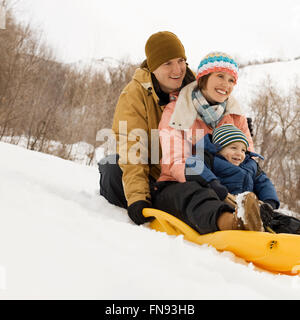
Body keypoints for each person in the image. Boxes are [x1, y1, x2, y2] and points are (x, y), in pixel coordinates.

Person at [153, 52, 262, 234]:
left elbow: (248, 159)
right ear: (203, 78)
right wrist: (210, 182)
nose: (225, 85)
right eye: (220, 76)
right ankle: (232, 222)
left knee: (264, 202)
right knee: (198, 194)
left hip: (228, 187)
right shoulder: (177, 110)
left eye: (231, 81)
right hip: (179, 183)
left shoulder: (236, 116)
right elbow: (175, 161)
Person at [98, 31, 195, 225]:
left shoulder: (196, 90)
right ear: (153, 67)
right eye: (167, 63)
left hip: (190, 171)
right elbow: (132, 147)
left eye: (181, 60)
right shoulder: (134, 95)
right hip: (153, 174)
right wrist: (137, 198)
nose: (177, 69)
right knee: (112, 168)